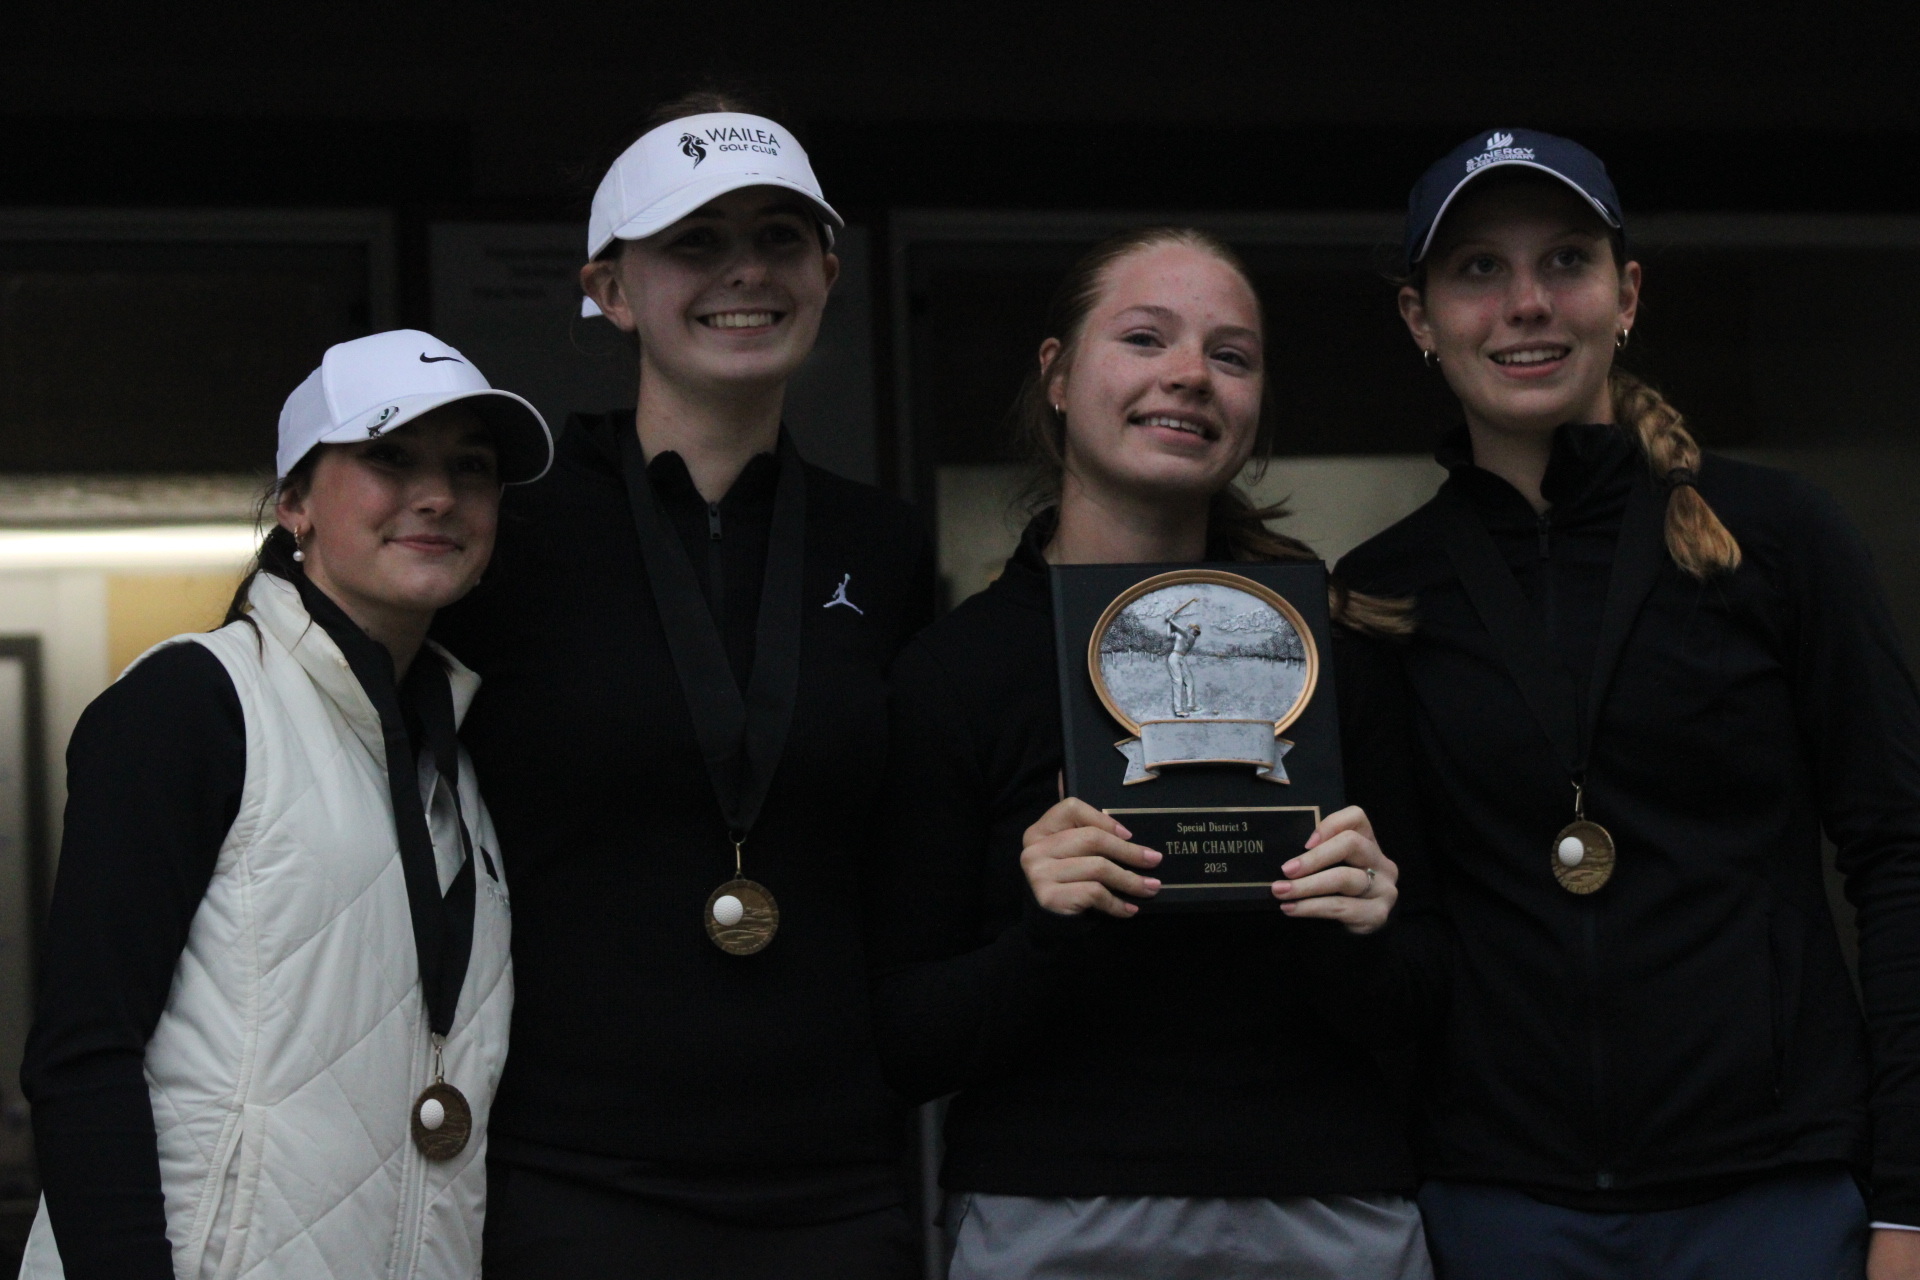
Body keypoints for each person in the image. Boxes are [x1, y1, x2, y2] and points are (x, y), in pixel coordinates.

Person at [1338, 127, 1920, 1279]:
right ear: (1419, 319)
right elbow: (1395, 938)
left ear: (1627, 293)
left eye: (1565, 261)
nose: (1527, 305)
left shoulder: (1782, 536)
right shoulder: (1375, 594)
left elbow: (1901, 853)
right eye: (1476, 271)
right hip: (1499, 1205)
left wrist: (1907, 1199)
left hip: (1778, 1194)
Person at [430, 90, 935, 1279]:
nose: (741, 271)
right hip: (568, 1176)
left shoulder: (885, 544)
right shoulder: (507, 542)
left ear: (827, 265)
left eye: (775, 236)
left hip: (833, 1184)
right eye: (694, 242)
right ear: (609, 289)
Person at [870, 226, 1436, 1279]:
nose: (1189, 374)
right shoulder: (954, 673)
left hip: (1328, 1201)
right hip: (1053, 1209)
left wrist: (1356, 923)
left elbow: (1427, 999)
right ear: (1056, 374)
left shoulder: (1335, 658)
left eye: (1231, 354)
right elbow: (907, 1039)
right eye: (1144, 337)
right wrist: (1047, 929)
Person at [18, 330, 552, 1279]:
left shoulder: (458, 766)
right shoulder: (192, 704)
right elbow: (82, 1056)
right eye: (390, 456)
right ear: (296, 502)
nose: (438, 494)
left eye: (470, 467)